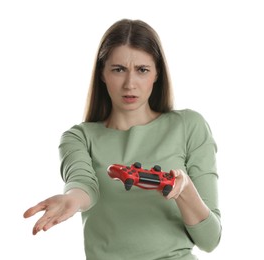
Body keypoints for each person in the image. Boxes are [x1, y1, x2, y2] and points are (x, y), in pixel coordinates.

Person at [23, 18, 222, 260]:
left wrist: (185, 190)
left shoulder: (189, 126)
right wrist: (71, 200)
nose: (130, 84)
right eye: (118, 69)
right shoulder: (79, 137)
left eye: (142, 70)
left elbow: (210, 240)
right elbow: (83, 184)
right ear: (103, 74)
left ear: (157, 73)